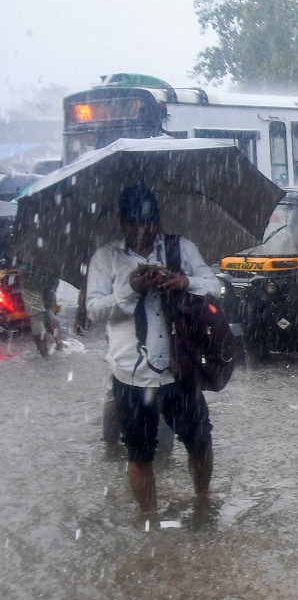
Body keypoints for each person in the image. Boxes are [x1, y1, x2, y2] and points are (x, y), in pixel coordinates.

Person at [86, 185, 222, 519]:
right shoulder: (106, 258)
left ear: (158, 220)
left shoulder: (181, 249)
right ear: (122, 222)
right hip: (131, 374)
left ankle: (203, 501)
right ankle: (150, 519)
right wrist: (130, 289)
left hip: (180, 367)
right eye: (134, 222)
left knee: (200, 441)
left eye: (149, 221)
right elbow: (94, 310)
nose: (143, 230)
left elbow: (216, 286)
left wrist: (183, 282)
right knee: (140, 453)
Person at [17, 260, 63, 356]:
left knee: (36, 315)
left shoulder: (27, 246)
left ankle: (44, 355)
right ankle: (60, 345)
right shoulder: (54, 246)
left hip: (32, 277)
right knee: (47, 309)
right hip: (51, 278)